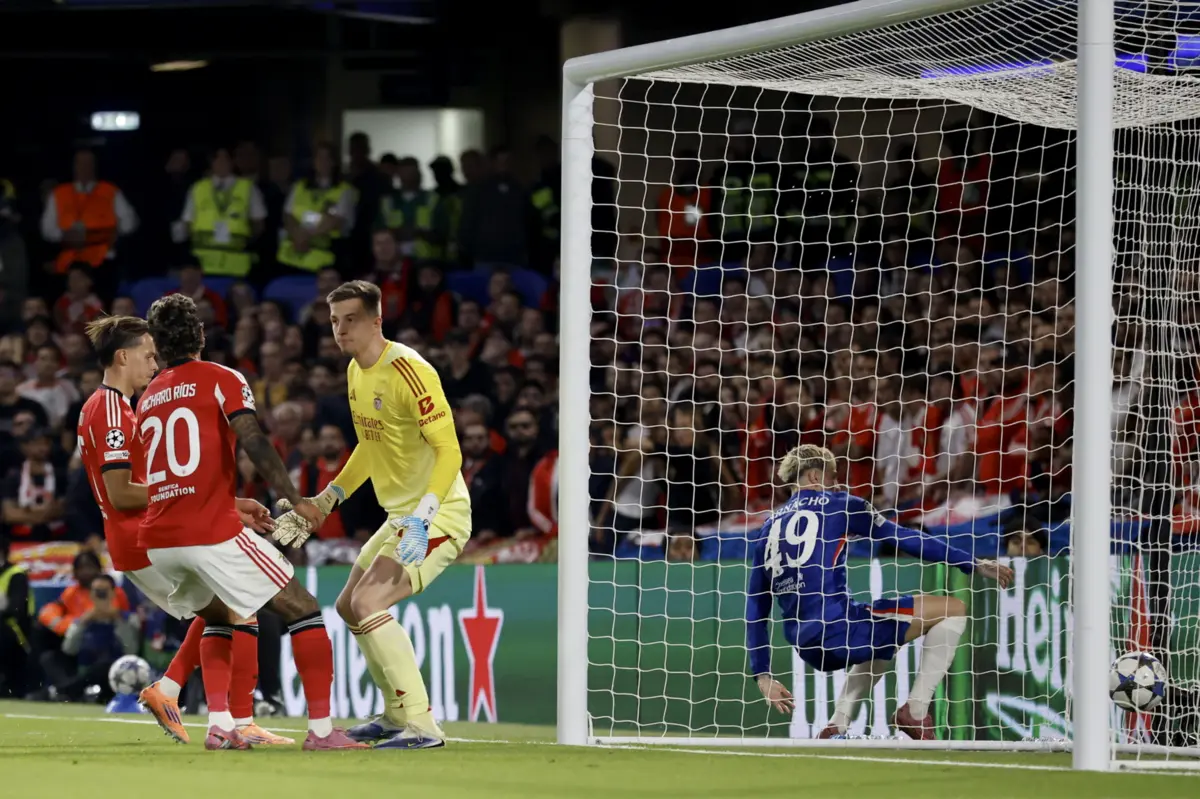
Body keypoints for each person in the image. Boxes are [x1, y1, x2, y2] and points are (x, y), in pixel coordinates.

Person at [137, 294, 365, 750]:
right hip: (207, 532)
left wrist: (231, 500)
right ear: (200, 335)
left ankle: (220, 725)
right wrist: (294, 498)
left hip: (160, 539)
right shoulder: (223, 379)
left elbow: (175, 474)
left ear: (157, 348)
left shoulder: (147, 398)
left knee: (219, 617)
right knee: (303, 608)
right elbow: (254, 441)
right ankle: (321, 732)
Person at [272, 280, 472, 750]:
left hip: (438, 513)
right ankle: (395, 713)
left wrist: (424, 517)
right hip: (400, 514)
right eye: (335, 321)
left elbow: (450, 452)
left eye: (351, 319)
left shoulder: (410, 370)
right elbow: (370, 443)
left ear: (377, 319)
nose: (341, 330)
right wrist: (326, 500)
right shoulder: (355, 372)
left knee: (368, 605)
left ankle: (424, 726)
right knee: (347, 606)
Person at [78, 315, 291, 747]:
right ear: (122, 357)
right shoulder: (115, 411)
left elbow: (146, 484)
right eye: (147, 356)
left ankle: (179, 694)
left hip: (142, 535)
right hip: (144, 536)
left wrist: (226, 504)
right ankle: (238, 720)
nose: (155, 365)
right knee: (241, 607)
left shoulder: (99, 405)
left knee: (219, 612)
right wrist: (197, 496)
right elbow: (122, 493)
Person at [745, 444, 1013, 740]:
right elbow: (905, 538)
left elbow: (756, 609)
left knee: (884, 635)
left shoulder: (766, 529)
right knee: (953, 610)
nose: (835, 483)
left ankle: (837, 725)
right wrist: (972, 563)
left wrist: (763, 676)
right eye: (831, 476)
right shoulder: (841, 504)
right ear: (812, 475)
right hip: (838, 629)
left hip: (805, 643)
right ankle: (916, 710)